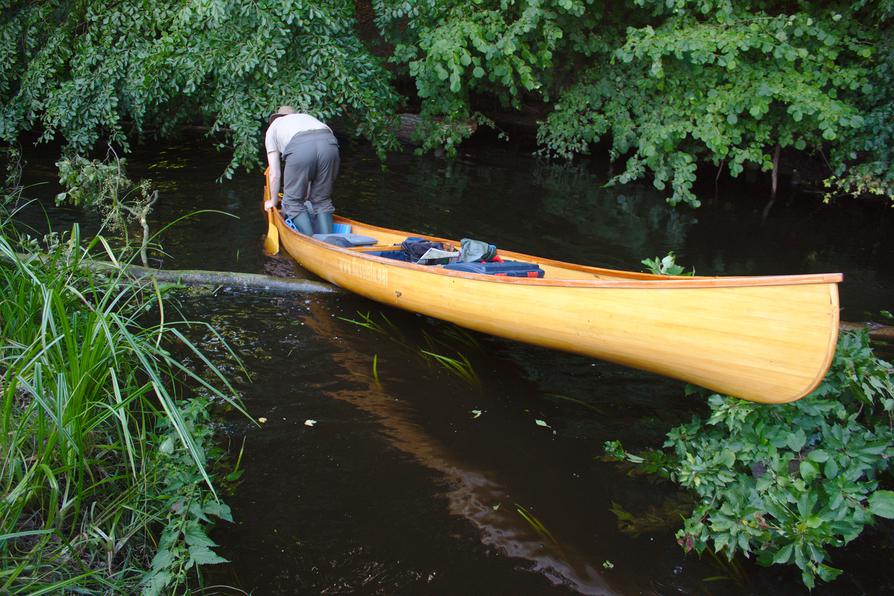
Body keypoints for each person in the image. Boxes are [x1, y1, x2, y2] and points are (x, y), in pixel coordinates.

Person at [264, 106, 340, 235]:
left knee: (292, 201)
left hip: (300, 148)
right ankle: (328, 240)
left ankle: (310, 241)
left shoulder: (273, 127)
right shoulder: (309, 119)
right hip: (330, 145)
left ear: (277, 118)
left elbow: (274, 174)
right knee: (322, 199)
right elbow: (314, 171)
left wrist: (273, 201)